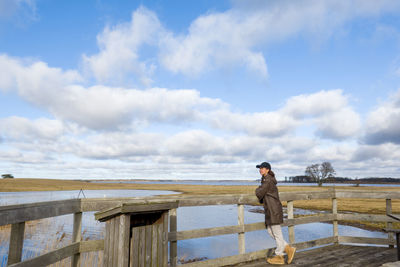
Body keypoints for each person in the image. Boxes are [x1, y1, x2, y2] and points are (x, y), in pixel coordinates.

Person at [255, 162, 296, 265]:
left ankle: (279, 256)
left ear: (268, 169)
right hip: (271, 209)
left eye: (263, 168)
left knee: (277, 233)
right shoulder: (266, 179)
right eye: (260, 168)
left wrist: (257, 189)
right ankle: (288, 248)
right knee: (270, 231)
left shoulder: (268, 180)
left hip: (273, 210)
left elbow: (259, 193)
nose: (260, 170)